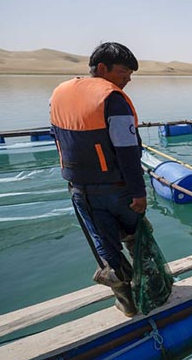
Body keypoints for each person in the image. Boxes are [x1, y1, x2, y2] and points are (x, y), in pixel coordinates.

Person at [50, 42, 146, 317]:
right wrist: (139, 192)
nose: (128, 78)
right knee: (137, 236)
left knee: (105, 246)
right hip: (119, 189)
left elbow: (56, 136)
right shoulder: (112, 99)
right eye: (124, 72)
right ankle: (149, 286)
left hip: (80, 189)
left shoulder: (58, 94)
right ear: (102, 68)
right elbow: (127, 151)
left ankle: (127, 303)